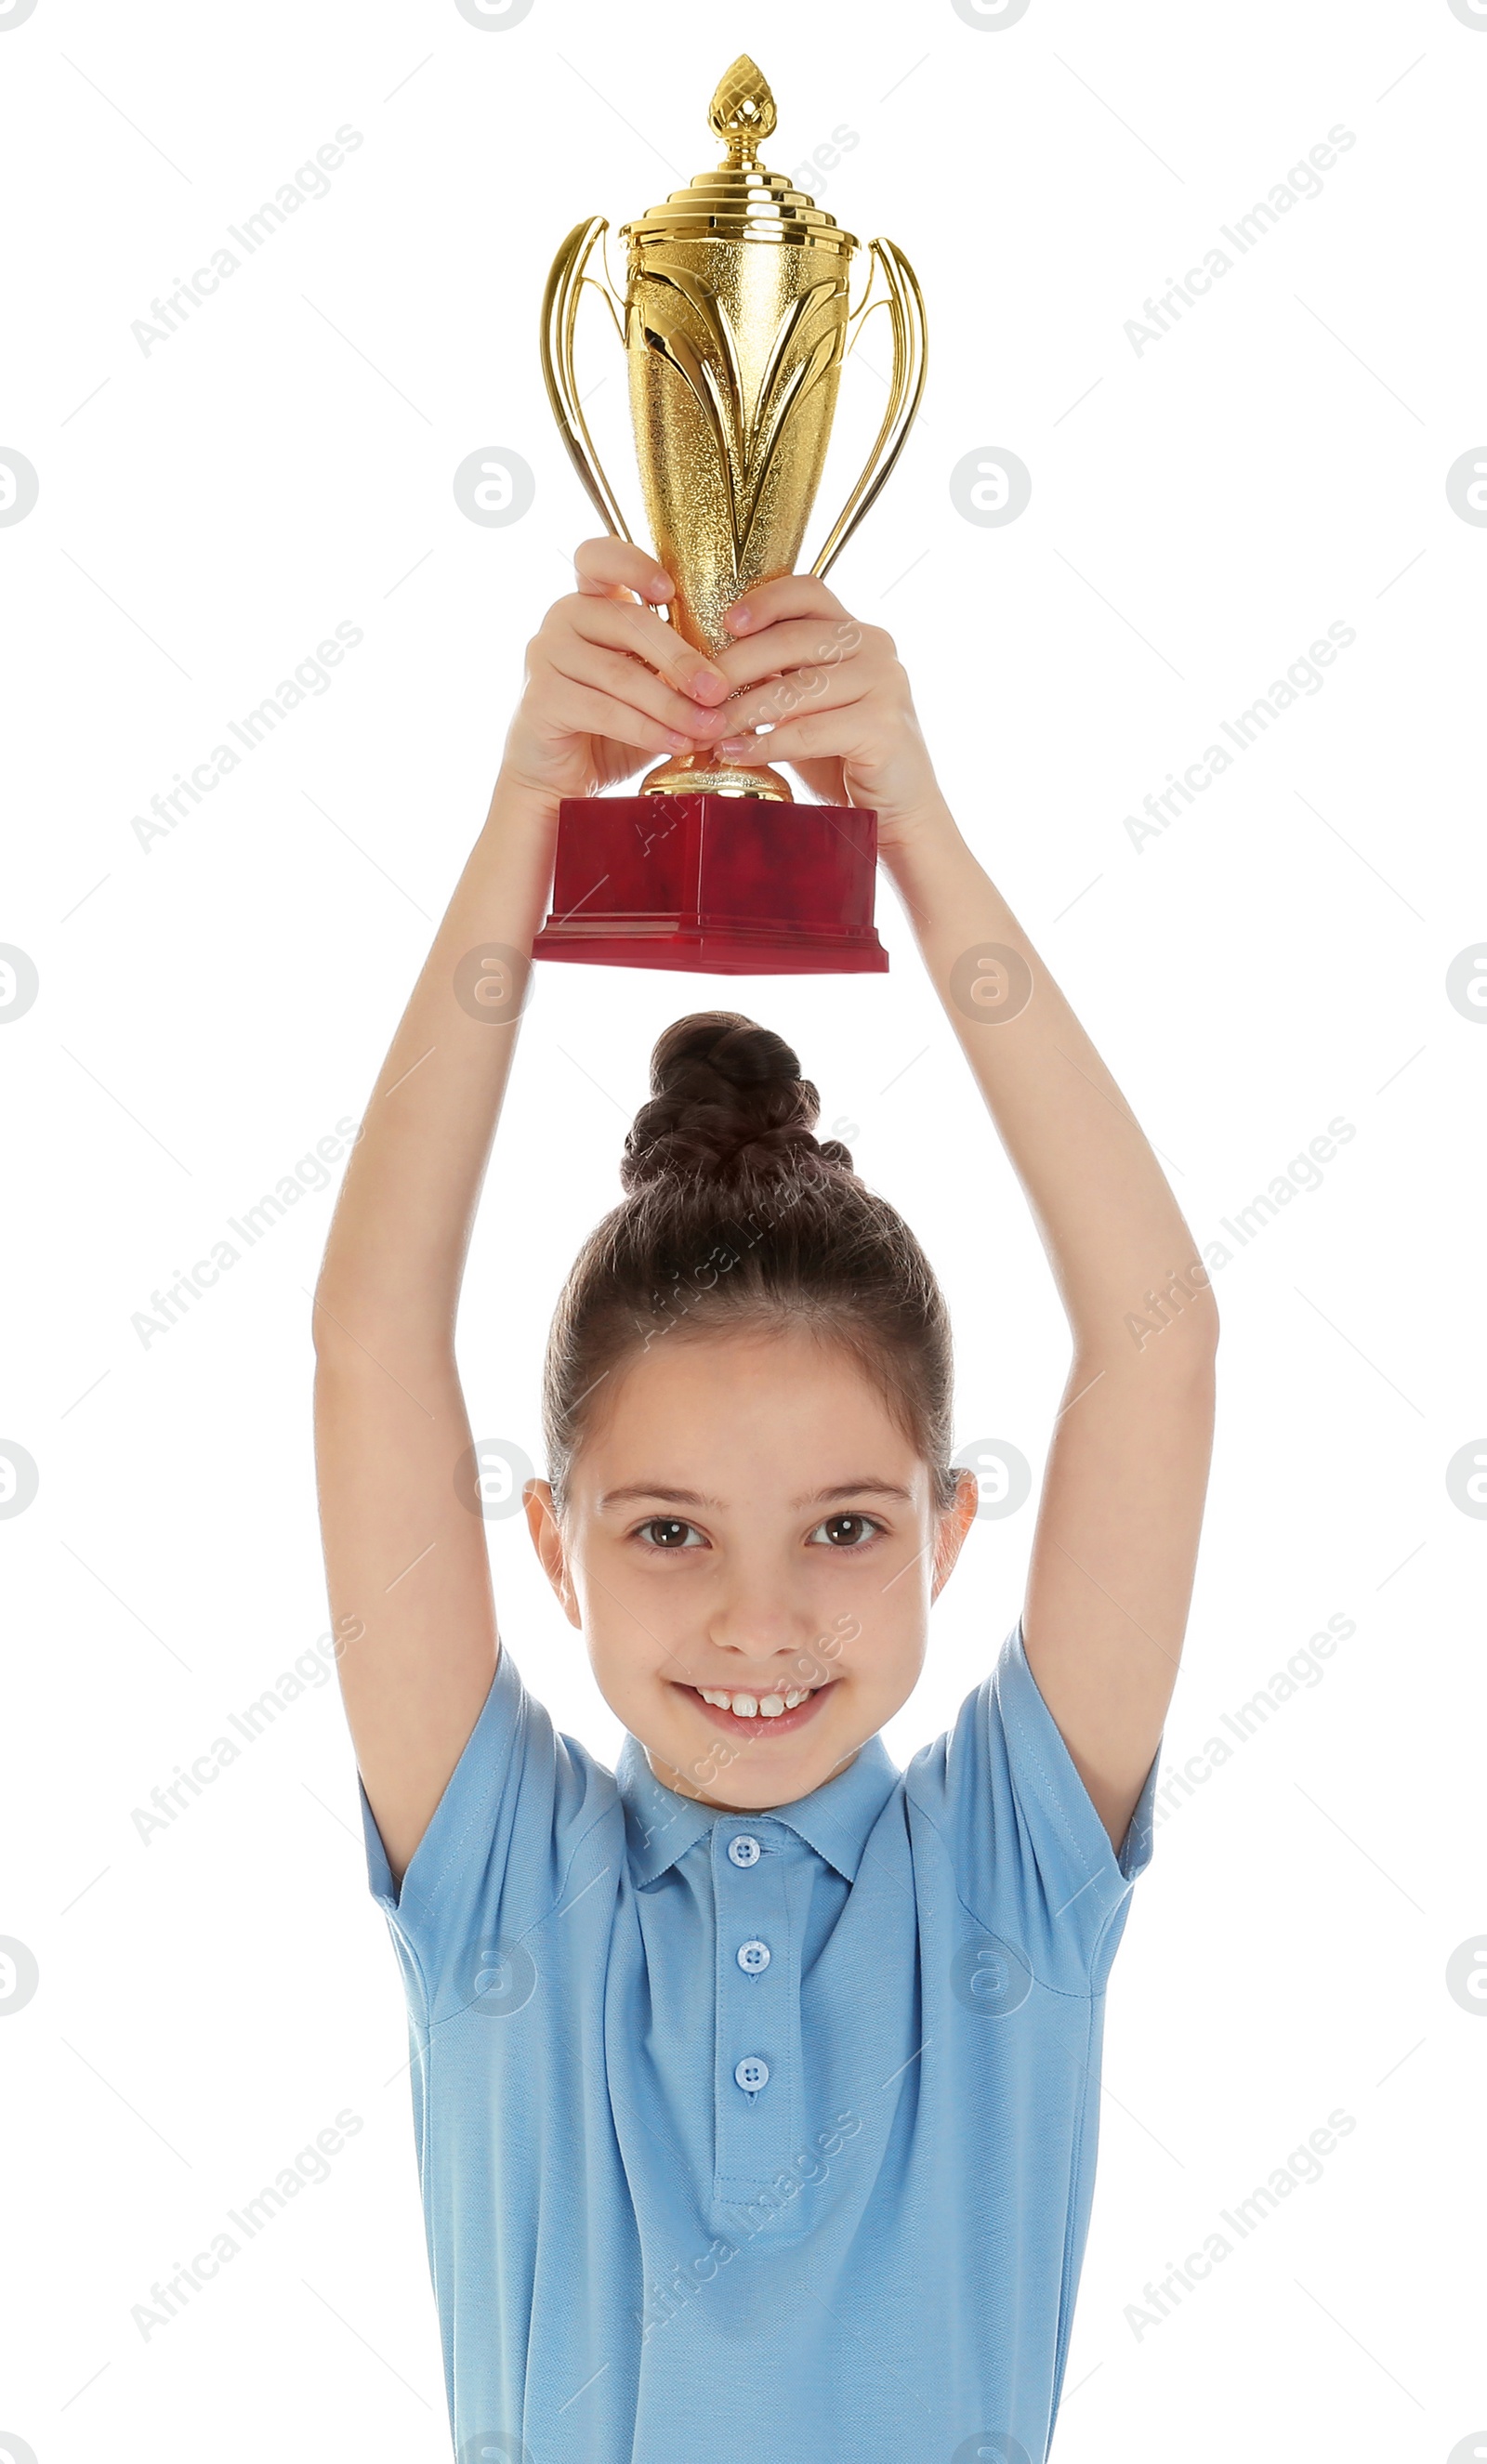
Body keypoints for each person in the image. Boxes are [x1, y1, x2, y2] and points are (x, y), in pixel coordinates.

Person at [311, 537, 1217, 2464]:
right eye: (663, 1531)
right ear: (547, 1547)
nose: (757, 1618)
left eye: (840, 1526)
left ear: (945, 1531)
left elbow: (1155, 1339)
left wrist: (913, 829)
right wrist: (524, 824)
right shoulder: (508, 1890)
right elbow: (373, 1343)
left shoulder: (1007, 1884)